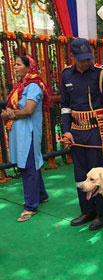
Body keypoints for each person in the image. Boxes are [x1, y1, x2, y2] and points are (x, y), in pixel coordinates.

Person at [60, 38, 103, 231]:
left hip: (96, 132)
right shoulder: (66, 75)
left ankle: (102, 213)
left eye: (88, 58)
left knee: (99, 174)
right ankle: (87, 211)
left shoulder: (101, 74)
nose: (87, 62)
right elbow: (65, 107)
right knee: (80, 174)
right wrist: (66, 130)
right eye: (82, 59)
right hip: (76, 133)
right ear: (72, 56)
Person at [1, 55, 50, 222]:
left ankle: (30, 206)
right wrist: (8, 113)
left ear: (29, 67)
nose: (14, 67)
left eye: (18, 64)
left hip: (29, 132)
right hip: (19, 131)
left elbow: (29, 110)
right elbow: (11, 107)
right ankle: (41, 195)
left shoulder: (34, 86)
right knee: (30, 164)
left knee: (28, 166)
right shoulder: (21, 86)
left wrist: (11, 114)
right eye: (14, 64)